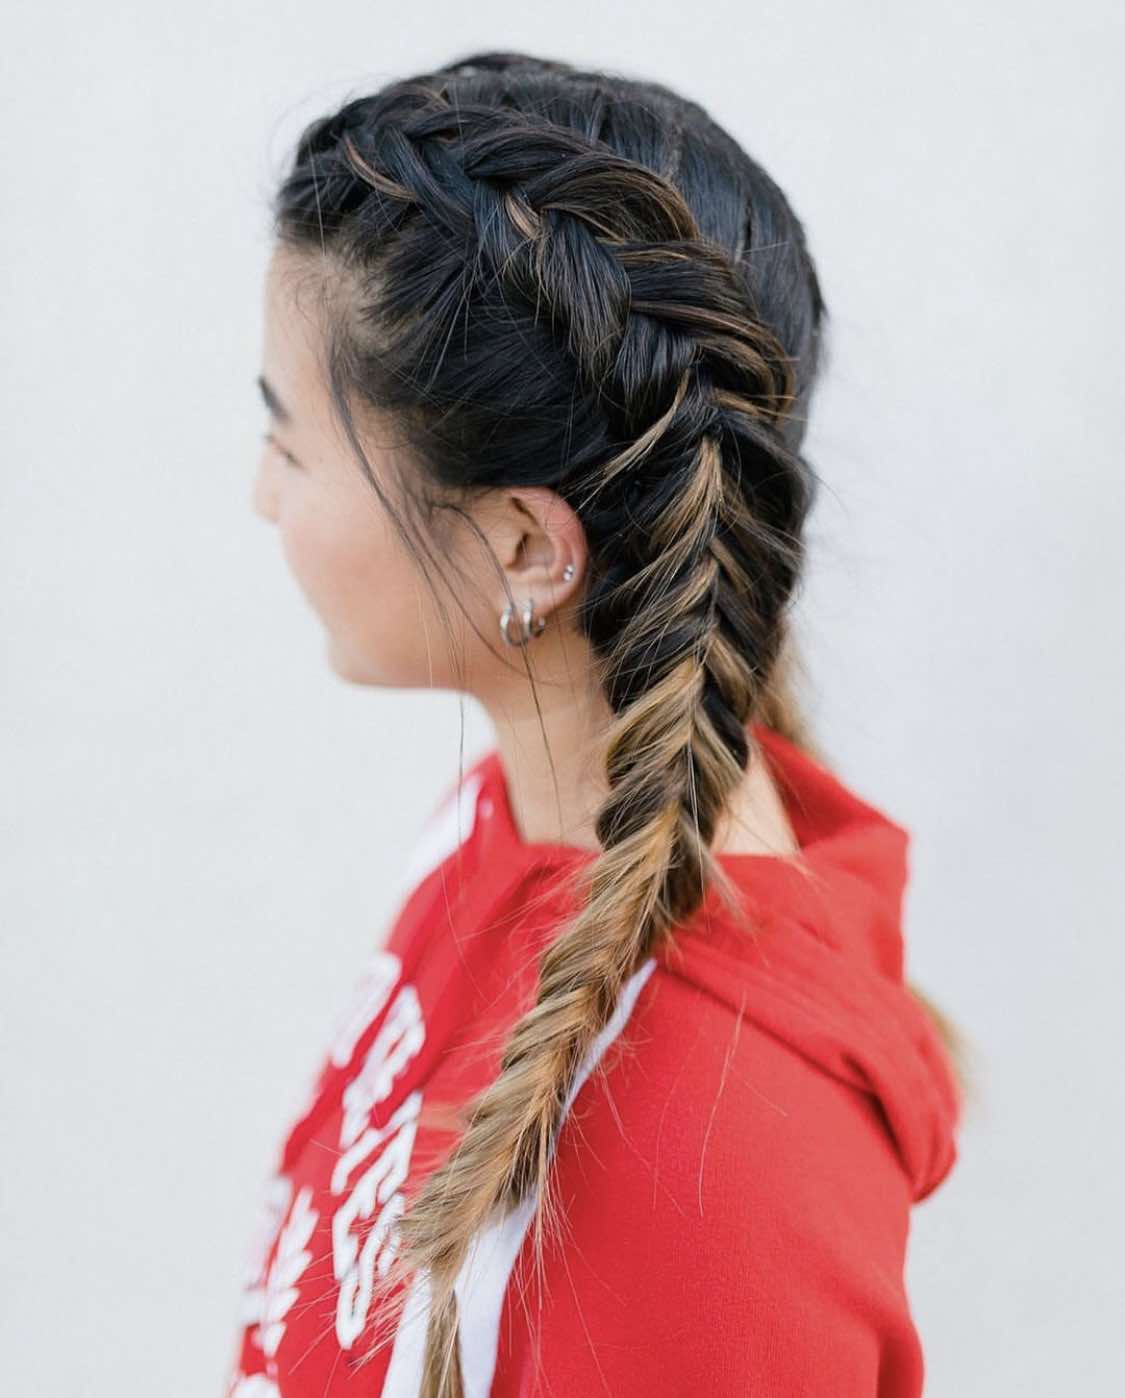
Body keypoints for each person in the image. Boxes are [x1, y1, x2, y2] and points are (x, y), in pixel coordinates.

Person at [227, 50, 963, 1398]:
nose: (260, 497)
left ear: (521, 545)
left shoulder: (720, 1173)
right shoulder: (520, 818)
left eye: (288, 443)